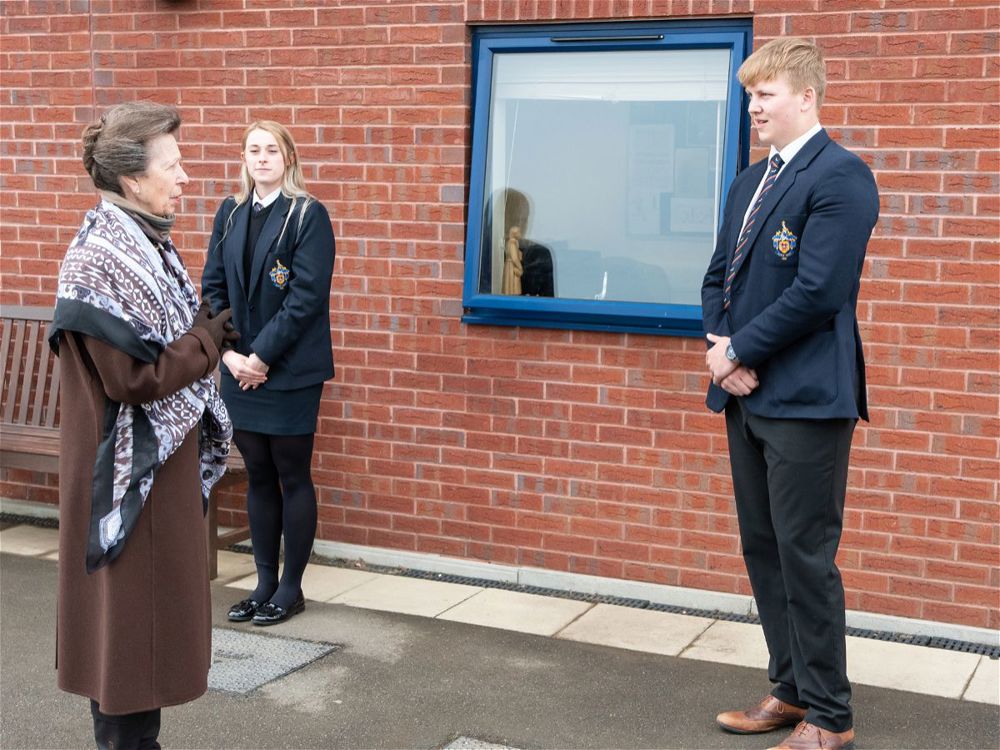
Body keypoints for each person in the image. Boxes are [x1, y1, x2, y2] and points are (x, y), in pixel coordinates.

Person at [701, 38, 879, 750]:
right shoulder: (749, 181)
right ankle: (790, 689)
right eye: (750, 96)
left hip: (807, 400)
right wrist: (723, 353)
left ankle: (831, 717)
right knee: (762, 549)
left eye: (766, 94)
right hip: (745, 397)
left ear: (807, 97)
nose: (754, 108)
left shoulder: (842, 176)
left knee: (806, 554)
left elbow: (818, 292)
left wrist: (740, 350)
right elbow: (720, 279)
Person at [49, 101, 238, 749]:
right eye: (174, 165)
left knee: (136, 652)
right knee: (126, 651)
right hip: (126, 482)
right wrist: (207, 344)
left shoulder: (141, 244)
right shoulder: (102, 257)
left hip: (151, 478)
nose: (186, 176)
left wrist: (200, 332)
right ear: (133, 179)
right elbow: (133, 377)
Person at [202, 120, 335, 627]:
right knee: (258, 474)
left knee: (291, 475)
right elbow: (212, 288)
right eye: (253, 150)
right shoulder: (231, 213)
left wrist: (262, 357)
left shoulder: (307, 216)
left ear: (288, 158)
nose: (262, 159)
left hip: (290, 372)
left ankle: (291, 587)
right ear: (243, 157)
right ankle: (262, 582)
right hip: (240, 370)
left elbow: (305, 299)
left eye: (271, 150)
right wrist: (231, 356)